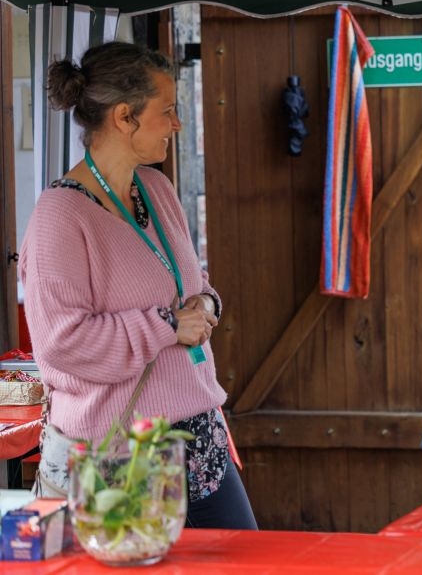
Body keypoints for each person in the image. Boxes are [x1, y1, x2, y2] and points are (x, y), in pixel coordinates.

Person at [18, 42, 257, 529]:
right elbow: (62, 344)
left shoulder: (158, 189)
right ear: (124, 117)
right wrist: (168, 326)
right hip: (119, 456)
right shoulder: (59, 217)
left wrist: (206, 304)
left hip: (200, 440)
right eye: (166, 111)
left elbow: (192, 283)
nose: (177, 124)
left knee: (247, 560)